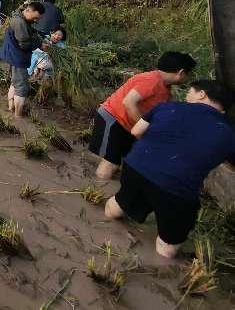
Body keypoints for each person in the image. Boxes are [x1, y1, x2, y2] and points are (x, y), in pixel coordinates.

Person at [104, 80, 235, 258]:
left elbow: (136, 131)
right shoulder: (229, 133)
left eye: (189, 92)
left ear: (202, 94)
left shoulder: (167, 107)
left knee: (119, 204)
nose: (187, 96)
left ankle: (112, 215)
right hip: (176, 189)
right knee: (167, 250)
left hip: (136, 167)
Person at [89, 51, 196, 179]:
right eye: (188, 74)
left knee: (121, 161)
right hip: (112, 118)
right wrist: (143, 128)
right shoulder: (151, 80)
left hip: (128, 125)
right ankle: (99, 186)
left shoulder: (165, 90)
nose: (188, 78)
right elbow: (128, 102)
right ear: (181, 72)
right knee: (110, 162)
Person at [0, 1, 45, 117]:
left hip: (12, 55)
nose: (36, 21)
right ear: (29, 10)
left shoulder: (19, 16)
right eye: (35, 18)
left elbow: (29, 31)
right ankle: (18, 118)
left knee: (15, 83)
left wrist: (41, 35)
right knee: (21, 88)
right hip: (17, 57)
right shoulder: (19, 22)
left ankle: (11, 109)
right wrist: (40, 44)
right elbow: (24, 45)